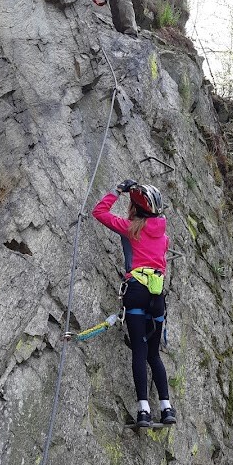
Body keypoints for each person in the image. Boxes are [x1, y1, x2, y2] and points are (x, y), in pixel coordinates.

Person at [92, 180, 176, 427]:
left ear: (135, 209)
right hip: (157, 295)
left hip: (136, 290)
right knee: (154, 354)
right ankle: (167, 408)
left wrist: (118, 191)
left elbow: (99, 212)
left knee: (139, 351)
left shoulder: (131, 229)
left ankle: (144, 411)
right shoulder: (164, 238)